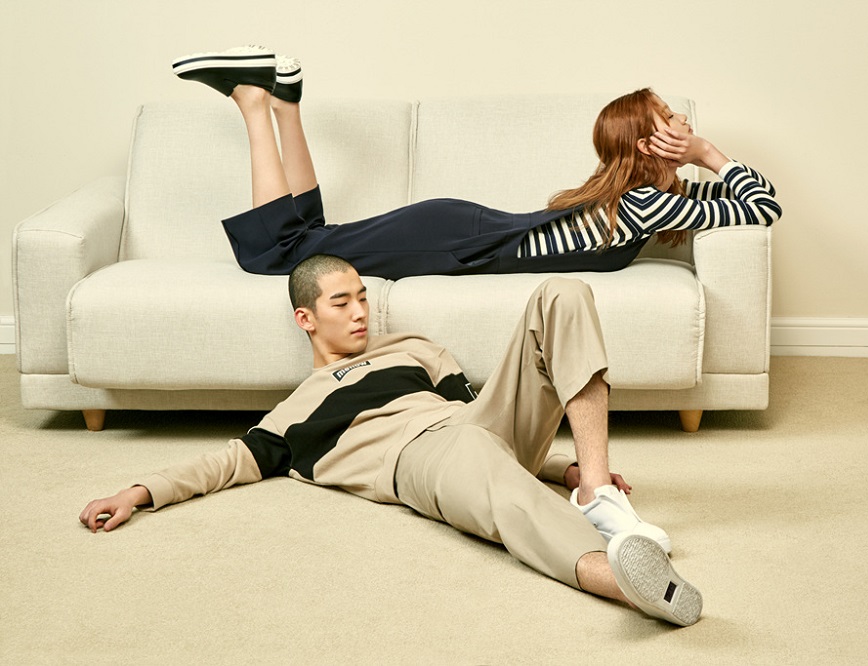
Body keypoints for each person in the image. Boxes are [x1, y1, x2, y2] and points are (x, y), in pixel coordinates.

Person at [80, 254, 703, 626]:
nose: (360, 312)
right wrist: (137, 492)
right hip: (419, 458)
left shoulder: (415, 349)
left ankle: (594, 490)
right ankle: (622, 580)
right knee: (486, 477)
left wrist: (564, 467)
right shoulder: (292, 417)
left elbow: (482, 423)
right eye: (341, 302)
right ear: (305, 318)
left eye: (362, 298)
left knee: (561, 292)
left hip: (472, 426)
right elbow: (220, 465)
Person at [170, 46, 781, 280]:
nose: (686, 124)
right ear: (648, 145)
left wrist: (703, 156)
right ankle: (254, 102)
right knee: (280, 256)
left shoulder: (652, 201)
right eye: (672, 118)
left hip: (460, 233)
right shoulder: (648, 203)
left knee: (311, 242)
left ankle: (285, 106)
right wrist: (707, 155)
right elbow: (763, 206)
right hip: (454, 240)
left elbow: (757, 205)